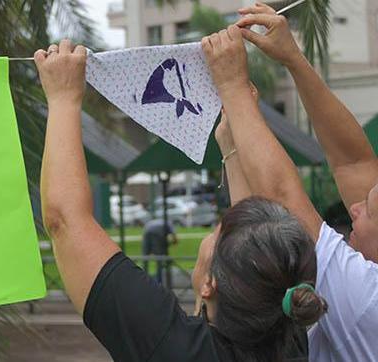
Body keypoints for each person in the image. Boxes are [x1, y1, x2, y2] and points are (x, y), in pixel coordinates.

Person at [34, 39, 327, 362]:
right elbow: (257, 247)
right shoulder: (289, 336)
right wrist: (231, 148)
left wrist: (63, 99)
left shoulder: (171, 345)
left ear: (209, 285)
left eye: (220, 231)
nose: (221, 224)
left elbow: (66, 221)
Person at [201, 5, 378, 360]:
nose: (353, 207)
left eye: (369, 211)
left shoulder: (366, 300)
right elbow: (353, 163)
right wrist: (293, 60)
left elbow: (284, 199)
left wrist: (232, 85)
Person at [142, 218, 177, 283]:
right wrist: (175, 242)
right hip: (157, 233)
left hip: (146, 232)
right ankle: (159, 278)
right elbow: (174, 236)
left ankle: (144, 276)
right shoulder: (170, 223)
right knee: (159, 256)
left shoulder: (159, 221)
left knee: (145, 256)